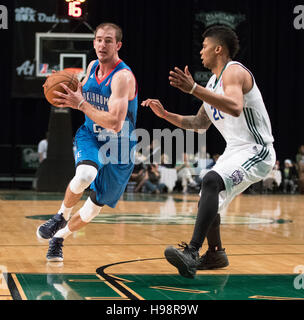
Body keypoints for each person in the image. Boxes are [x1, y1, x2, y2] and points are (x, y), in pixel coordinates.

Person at [142, 25, 276, 278]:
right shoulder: (213, 83)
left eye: (204, 46)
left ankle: (192, 252)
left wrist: (193, 89)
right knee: (208, 197)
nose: (200, 51)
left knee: (211, 180)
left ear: (218, 49)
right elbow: (199, 124)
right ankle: (215, 254)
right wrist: (165, 114)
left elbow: (236, 107)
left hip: (257, 151)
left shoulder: (233, 72)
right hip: (235, 151)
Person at [36, 22, 138, 262]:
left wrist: (80, 103)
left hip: (119, 147)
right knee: (85, 175)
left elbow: (114, 122)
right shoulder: (92, 66)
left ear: (118, 45)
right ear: (94, 43)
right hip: (91, 135)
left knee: (93, 209)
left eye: (109, 40)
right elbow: (80, 92)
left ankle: (58, 237)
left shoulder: (123, 77)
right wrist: (62, 91)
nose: (103, 44)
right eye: (99, 39)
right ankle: (60, 215)